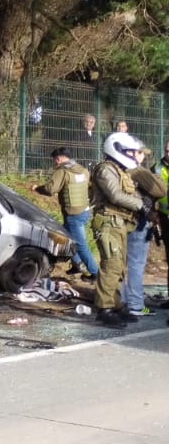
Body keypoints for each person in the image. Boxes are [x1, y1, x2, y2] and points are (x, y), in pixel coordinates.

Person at [89, 131, 145, 328]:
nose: (132, 155)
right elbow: (115, 195)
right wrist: (140, 205)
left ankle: (115, 305)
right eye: (129, 152)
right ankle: (104, 310)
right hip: (107, 222)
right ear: (117, 149)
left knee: (119, 266)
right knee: (111, 265)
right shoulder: (105, 169)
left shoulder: (119, 170)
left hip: (119, 222)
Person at [33, 148, 97, 280]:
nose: (55, 163)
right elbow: (90, 187)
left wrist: (37, 188)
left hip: (73, 214)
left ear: (58, 159)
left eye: (54, 160)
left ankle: (95, 272)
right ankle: (77, 263)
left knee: (80, 245)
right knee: (65, 238)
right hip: (84, 211)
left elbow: (51, 189)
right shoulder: (82, 170)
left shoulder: (62, 171)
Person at [120, 145, 163, 319]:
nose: (142, 158)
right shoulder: (137, 171)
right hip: (138, 220)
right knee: (136, 264)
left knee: (118, 264)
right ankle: (137, 305)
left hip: (118, 221)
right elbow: (160, 190)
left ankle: (121, 301)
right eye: (140, 154)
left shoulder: (114, 169)